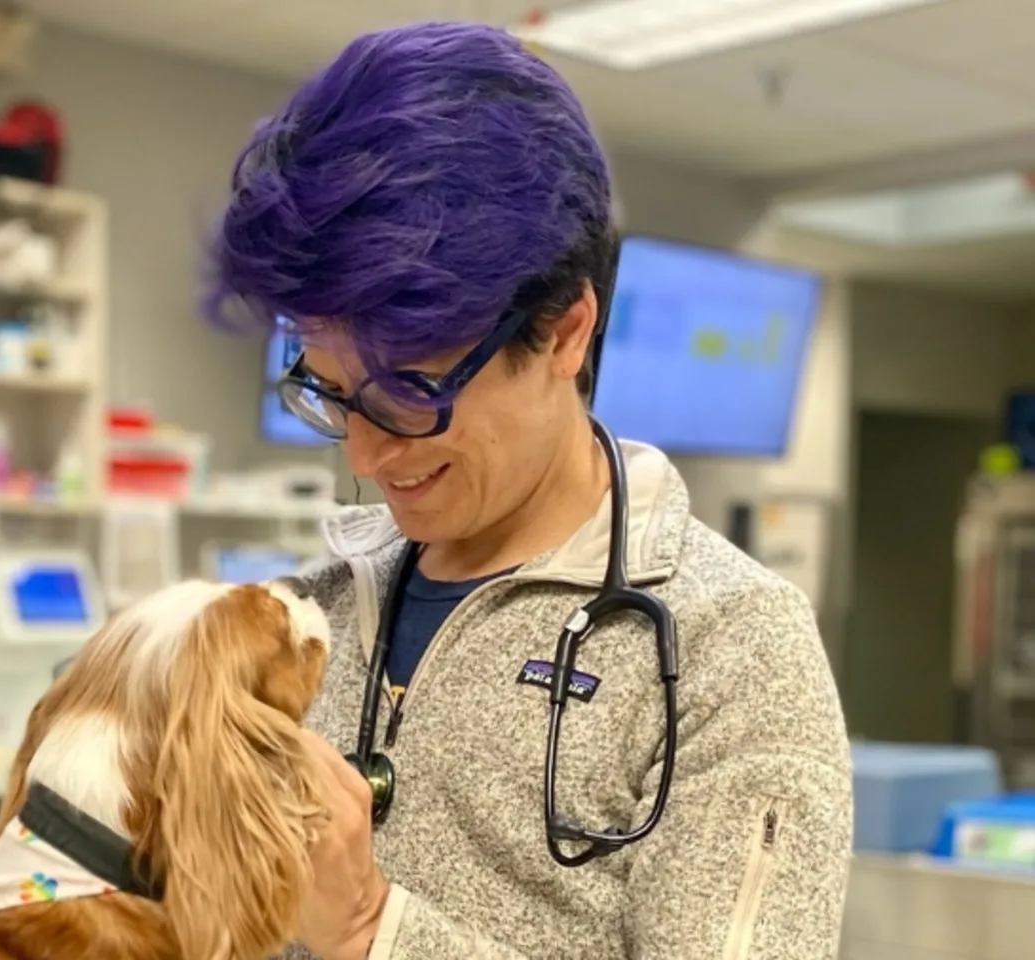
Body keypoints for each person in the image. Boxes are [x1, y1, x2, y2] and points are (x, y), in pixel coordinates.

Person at [205, 21, 852, 960]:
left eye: (409, 392)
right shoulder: (317, 613)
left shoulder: (732, 650)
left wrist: (368, 929)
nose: (368, 455)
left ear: (565, 331)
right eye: (329, 391)